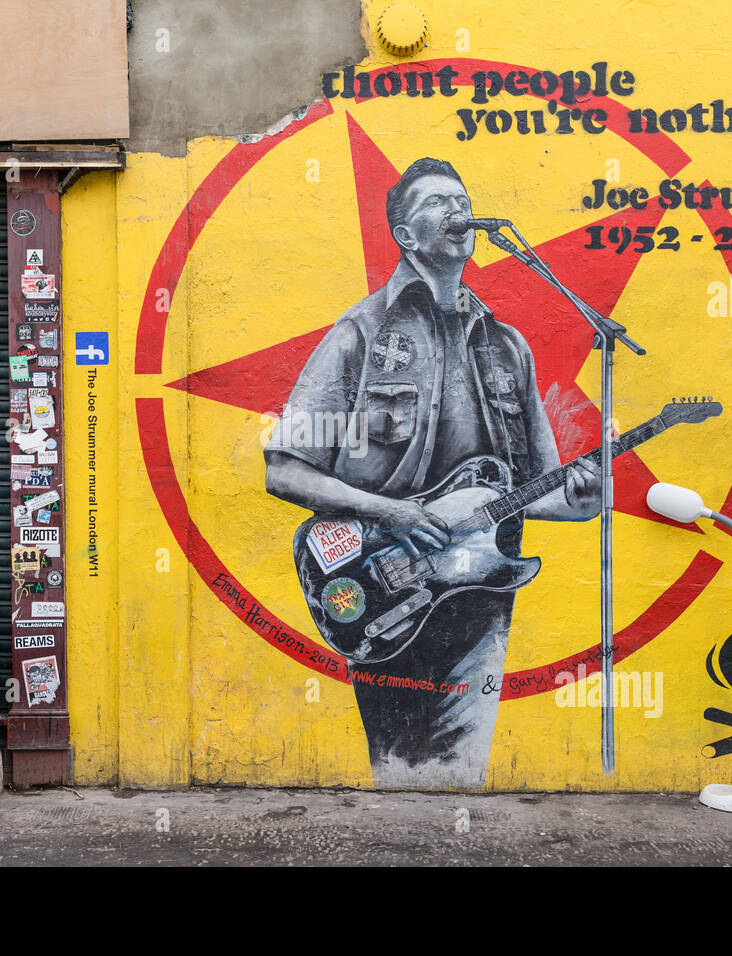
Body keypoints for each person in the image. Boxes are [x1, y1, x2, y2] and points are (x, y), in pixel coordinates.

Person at [265, 158, 601, 789]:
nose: (458, 211)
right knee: (397, 764)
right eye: (438, 202)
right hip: (377, 579)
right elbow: (284, 470)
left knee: (460, 768)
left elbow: (540, 489)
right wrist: (391, 513)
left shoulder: (507, 348)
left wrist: (582, 502)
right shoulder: (361, 333)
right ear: (405, 234)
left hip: (483, 592)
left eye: (463, 199)